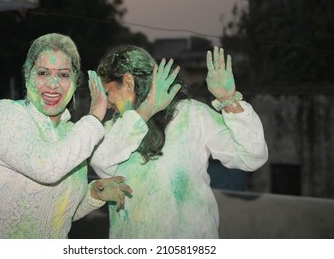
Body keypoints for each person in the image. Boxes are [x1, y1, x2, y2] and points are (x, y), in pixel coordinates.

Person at [0, 33, 132, 239]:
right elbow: (48, 167)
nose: (53, 84)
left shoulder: (72, 134)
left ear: (75, 81)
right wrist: (95, 116)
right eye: (43, 73)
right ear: (27, 76)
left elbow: (60, 213)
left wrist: (94, 195)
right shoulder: (3, 115)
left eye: (63, 75)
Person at [90, 45, 269, 238]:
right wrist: (147, 109)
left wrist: (229, 100)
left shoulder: (190, 115)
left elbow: (252, 158)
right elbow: (100, 164)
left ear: (128, 83)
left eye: (108, 93)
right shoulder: (113, 130)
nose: (107, 103)